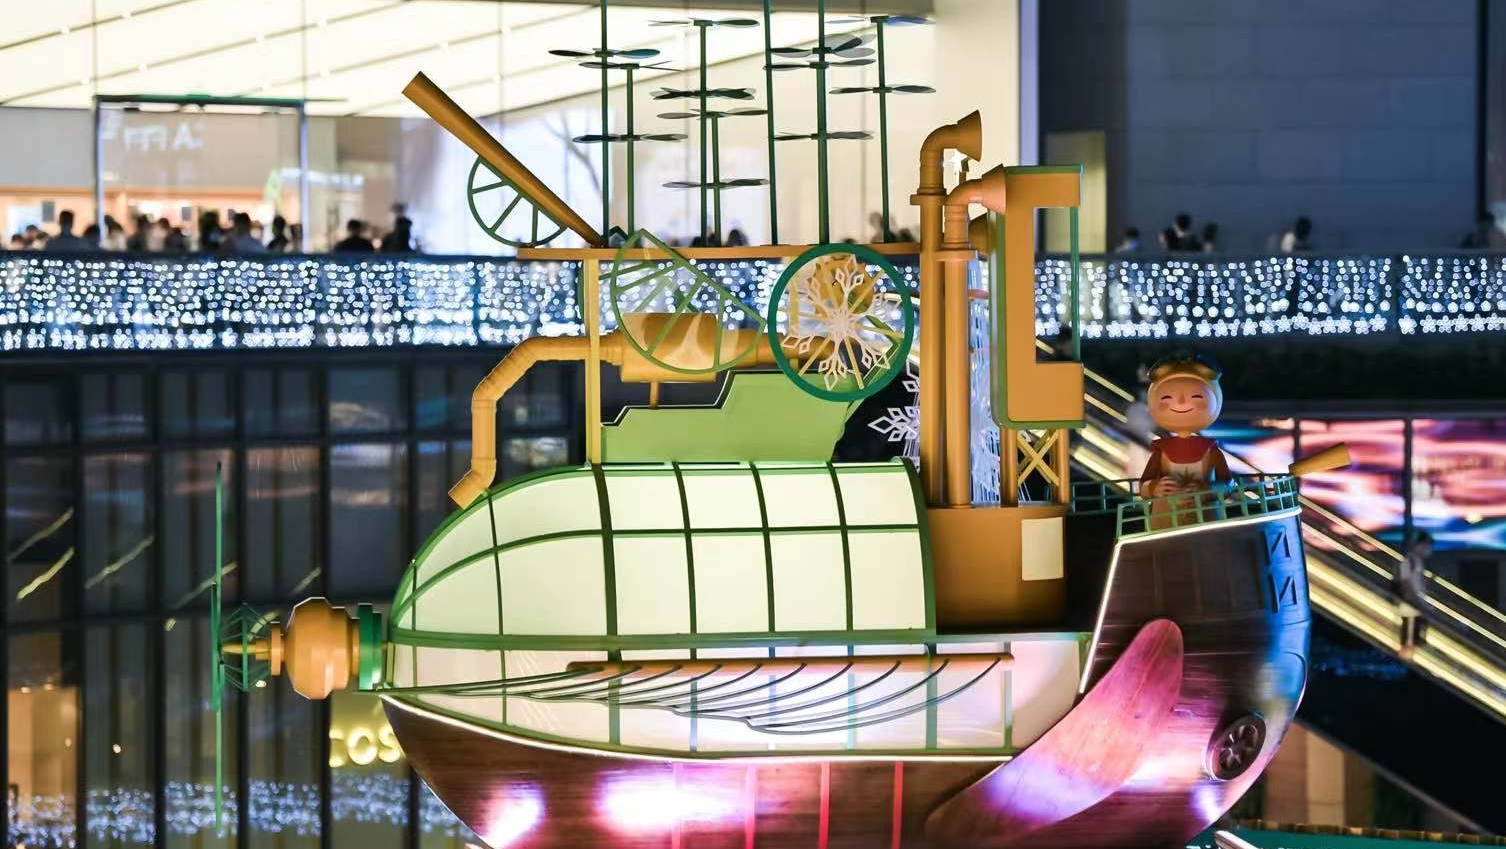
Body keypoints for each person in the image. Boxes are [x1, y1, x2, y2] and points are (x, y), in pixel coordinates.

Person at [1138, 354, 1232, 504]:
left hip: (1205, 513)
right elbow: (1144, 486)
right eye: (1167, 398)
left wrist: (1208, 490)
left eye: (1196, 397)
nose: (1181, 402)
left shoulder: (1211, 451)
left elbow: (1228, 483)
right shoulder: (1161, 452)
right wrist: (1155, 488)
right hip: (1165, 514)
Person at [1396, 532, 1432, 658]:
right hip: (1411, 606)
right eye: (1427, 547)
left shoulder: (1417, 561)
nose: (1428, 551)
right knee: (1409, 640)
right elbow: (1405, 582)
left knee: (1413, 638)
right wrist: (1415, 600)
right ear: (1420, 545)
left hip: (1415, 605)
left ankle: (1408, 658)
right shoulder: (1409, 561)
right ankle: (1406, 659)